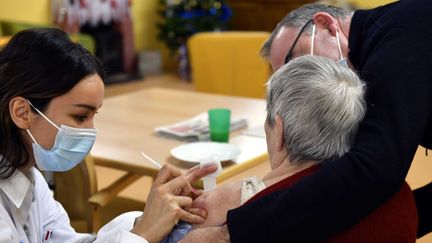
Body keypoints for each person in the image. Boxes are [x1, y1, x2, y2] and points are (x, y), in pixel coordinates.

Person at [181, 1, 432, 242]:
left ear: (326, 25)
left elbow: (374, 169)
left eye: (296, 62)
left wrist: (230, 234)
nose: (300, 81)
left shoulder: (401, 38)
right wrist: (399, 221)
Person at [0, 28, 216, 243]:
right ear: (22, 112)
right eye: (80, 115)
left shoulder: (31, 177)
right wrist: (144, 234)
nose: (90, 130)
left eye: (94, 115)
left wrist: (149, 221)